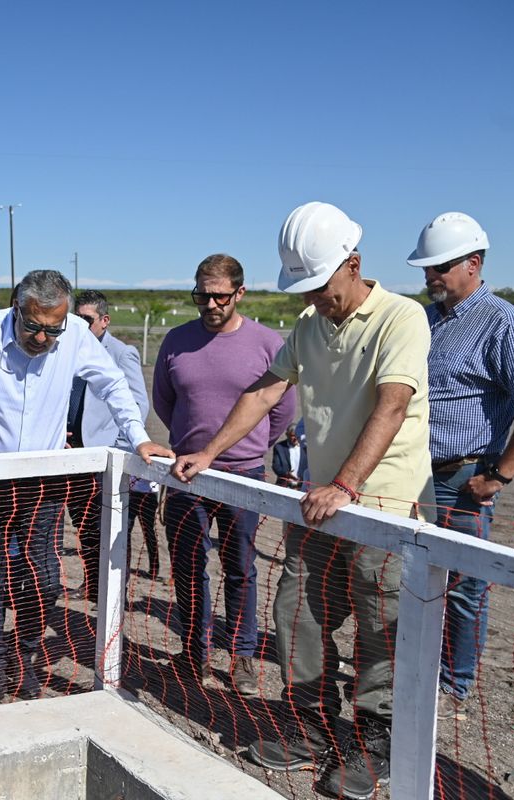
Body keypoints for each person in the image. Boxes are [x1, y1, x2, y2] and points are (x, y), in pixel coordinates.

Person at [173, 202, 432, 799]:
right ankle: (310, 726)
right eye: (306, 289)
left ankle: (376, 741)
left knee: (380, 626)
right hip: (323, 501)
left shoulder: (402, 317)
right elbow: (266, 392)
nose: (315, 299)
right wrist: (210, 451)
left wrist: (345, 484)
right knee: (296, 611)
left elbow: (392, 404)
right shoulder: (311, 327)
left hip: (386, 506)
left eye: (322, 286)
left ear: (355, 264)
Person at [0, 269, 174, 703]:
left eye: (52, 330)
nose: (43, 339)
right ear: (15, 308)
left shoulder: (76, 333)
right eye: (33, 327)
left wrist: (137, 436)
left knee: (42, 579)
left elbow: (113, 383)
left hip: (45, 478)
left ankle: (24, 656)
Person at [407, 211, 514, 720]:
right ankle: (419, 665)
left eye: (440, 266)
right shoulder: (425, 320)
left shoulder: (502, 321)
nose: (430, 276)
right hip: (414, 472)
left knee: (465, 584)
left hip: (462, 477)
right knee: (412, 573)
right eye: (426, 267)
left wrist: (499, 476)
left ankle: (455, 681)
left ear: (473, 264)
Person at [154, 254, 295, 697]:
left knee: (241, 570)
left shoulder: (267, 343)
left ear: (239, 292)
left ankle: (242, 656)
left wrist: (249, 448)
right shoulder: (176, 341)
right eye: (202, 295)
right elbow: (164, 401)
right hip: (186, 474)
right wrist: (189, 444)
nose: (210, 304)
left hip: (242, 476)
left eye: (219, 295)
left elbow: (281, 409)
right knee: (189, 566)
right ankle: (193, 652)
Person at [64, 289, 151, 601]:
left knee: (110, 528)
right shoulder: (70, 349)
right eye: (77, 319)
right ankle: (92, 584)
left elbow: (139, 405)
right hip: (73, 456)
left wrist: (114, 446)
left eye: (87, 319)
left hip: (104, 459)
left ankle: (113, 591)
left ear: (104, 320)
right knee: (84, 526)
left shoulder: (121, 353)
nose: (82, 325)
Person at [272, 424, 307, 489]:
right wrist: (287, 474)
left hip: (301, 487)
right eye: (293, 436)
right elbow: (276, 466)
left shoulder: (305, 448)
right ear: (287, 435)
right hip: (284, 485)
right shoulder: (279, 447)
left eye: (297, 436)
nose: (295, 438)